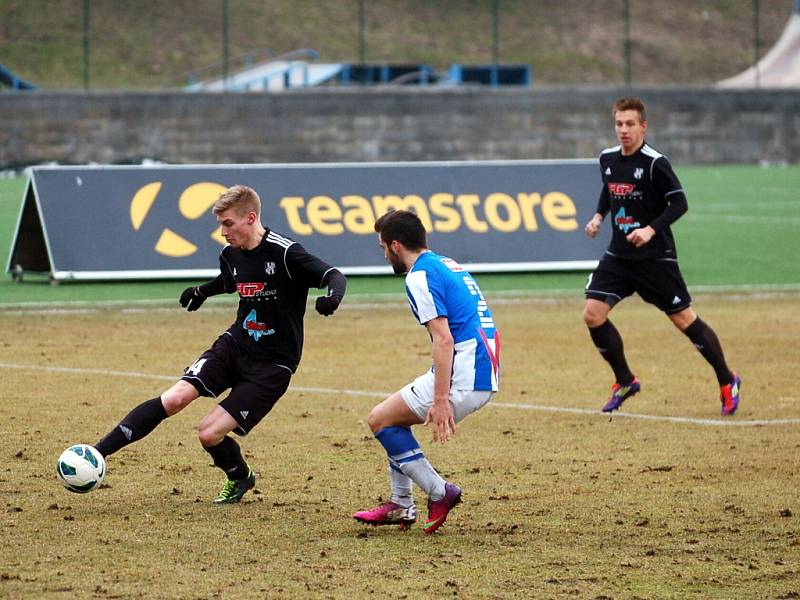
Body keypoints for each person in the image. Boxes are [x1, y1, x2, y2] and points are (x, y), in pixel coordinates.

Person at [93, 184, 346, 503]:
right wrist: (201, 291)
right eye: (220, 224)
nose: (223, 232)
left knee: (208, 432)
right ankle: (96, 454)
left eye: (228, 224)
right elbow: (231, 281)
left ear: (250, 218)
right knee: (174, 398)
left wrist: (332, 297)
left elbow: (335, 275)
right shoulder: (230, 254)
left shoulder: (285, 253)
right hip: (234, 345)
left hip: (273, 365)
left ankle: (240, 477)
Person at [583, 97, 740, 415]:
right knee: (592, 314)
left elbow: (679, 204)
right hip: (619, 256)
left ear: (643, 126)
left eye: (630, 124)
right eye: (618, 123)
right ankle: (625, 380)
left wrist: (650, 230)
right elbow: (610, 188)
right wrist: (600, 216)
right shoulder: (607, 158)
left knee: (684, 319)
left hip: (655, 258)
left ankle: (727, 379)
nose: (623, 130)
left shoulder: (655, 163)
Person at [353, 209, 500, 534]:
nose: (384, 255)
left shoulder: (419, 275)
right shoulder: (447, 263)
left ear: (395, 245)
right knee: (394, 420)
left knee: (381, 419)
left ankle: (438, 492)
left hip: (465, 371)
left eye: (382, 248)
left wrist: (441, 398)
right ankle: (401, 505)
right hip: (480, 366)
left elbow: (444, 338)